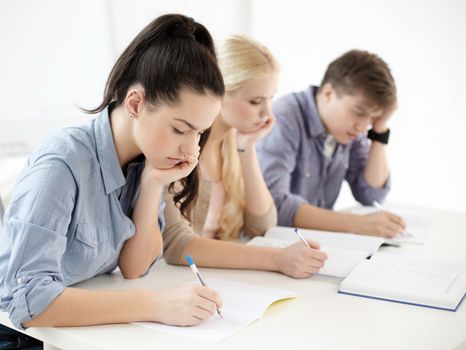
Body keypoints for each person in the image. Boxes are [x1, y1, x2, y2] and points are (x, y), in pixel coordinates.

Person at [0, 14, 225, 341]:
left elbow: (134, 267)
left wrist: (152, 184)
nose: (191, 149)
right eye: (180, 129)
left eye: (199, 134)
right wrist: (157, 305)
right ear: (135, 102)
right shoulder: (62, 163)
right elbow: (29, 301)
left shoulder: (144, 161)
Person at [162, 35, 327, 277]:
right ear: (218, 93)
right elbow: (176, 245)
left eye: (271, 99)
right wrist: (278, 259)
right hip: (173, 281)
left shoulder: (232, 143)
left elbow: (262, 226)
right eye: (255, 101)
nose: (267, 113)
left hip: (220, 279)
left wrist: (247, 149)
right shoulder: (178, 144)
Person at [257, 50, 406, 238]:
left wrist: (380, 130)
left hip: (313, 245)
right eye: (359, 112)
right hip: (274, 245)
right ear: (328, 93)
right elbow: (274, 205)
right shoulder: (285, 117)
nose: (363, 127)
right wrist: (356, 224)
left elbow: (371, 194)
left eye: (373, 117)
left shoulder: (350, 131)